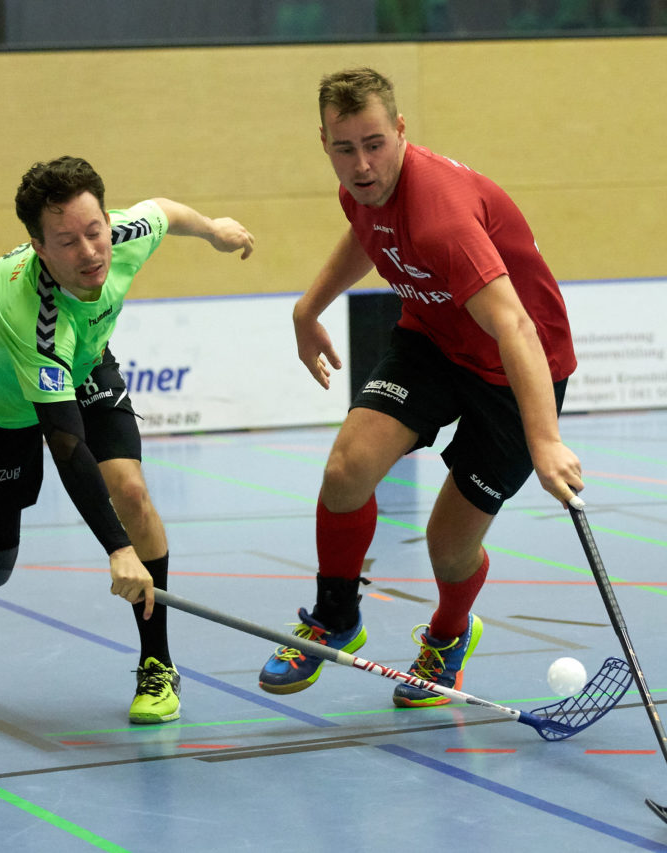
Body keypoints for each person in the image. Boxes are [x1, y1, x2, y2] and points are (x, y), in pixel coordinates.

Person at [258, 68, 584, 707]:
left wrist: (544, 440)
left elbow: (515, 324)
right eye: (344, 147)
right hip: (433, 340)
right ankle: (335, 617)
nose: (362, 164)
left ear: (401, 131)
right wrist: (308, 308)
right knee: (348, 469)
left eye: (375, 143)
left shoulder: (442, 218)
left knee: (448, 546)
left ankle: (449, 634)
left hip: (513, 371)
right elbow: (367, 234)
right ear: (323, 142)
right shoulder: (361, 189)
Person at [0, 155, 254, 723]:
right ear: (40, 248)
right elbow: (66, 445)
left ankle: (156, 664)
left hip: (84, 364)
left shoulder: (120, 234)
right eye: (67, 242)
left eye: (95, 231)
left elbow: (163, 210)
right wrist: (117, 551)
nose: (90, 252)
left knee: (132, 494)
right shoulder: (35, 318)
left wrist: (213, 230)